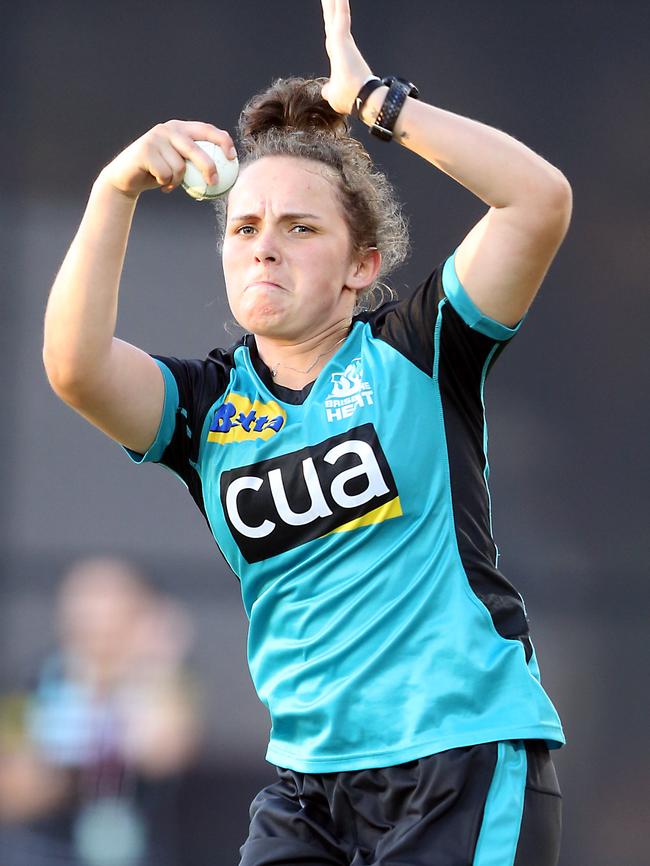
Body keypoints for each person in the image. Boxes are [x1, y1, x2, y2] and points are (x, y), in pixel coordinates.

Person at [42, 1, 572, 863]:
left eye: (300, 227)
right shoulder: (206, 409)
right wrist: (116, 188)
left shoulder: (419, 351)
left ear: (363, 266)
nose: (264, 248)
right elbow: (74, 366)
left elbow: (538, 200)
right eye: (246, 229)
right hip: (307, 787)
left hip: (462, 759)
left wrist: (377, 105)